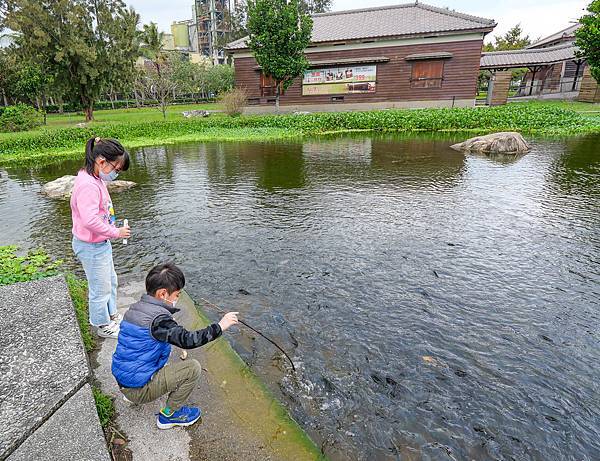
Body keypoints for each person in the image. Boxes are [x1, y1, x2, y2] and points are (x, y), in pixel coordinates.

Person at [111, 263, 239, 429]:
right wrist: (220, 326)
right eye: (177, 295)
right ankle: (169, 415)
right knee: (193, 368)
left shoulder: (135, 309)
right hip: (137, 389)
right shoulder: (159, 321)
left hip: (124, 381)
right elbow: (188, 339)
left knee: (155, 351)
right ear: (163, 293)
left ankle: (133, 393)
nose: (177, 299)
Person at [71, 137, 131, 339]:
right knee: (99, 288)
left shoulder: (94, 176)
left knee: (110, 281)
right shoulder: (88, 184)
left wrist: (111, 229)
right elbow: (89, 220)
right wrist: (116, 232)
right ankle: (102, 324)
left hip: (99, 243)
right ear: (101, 161)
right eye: (116, 168)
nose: (116, 173)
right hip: (90, 245)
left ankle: (111, 314)